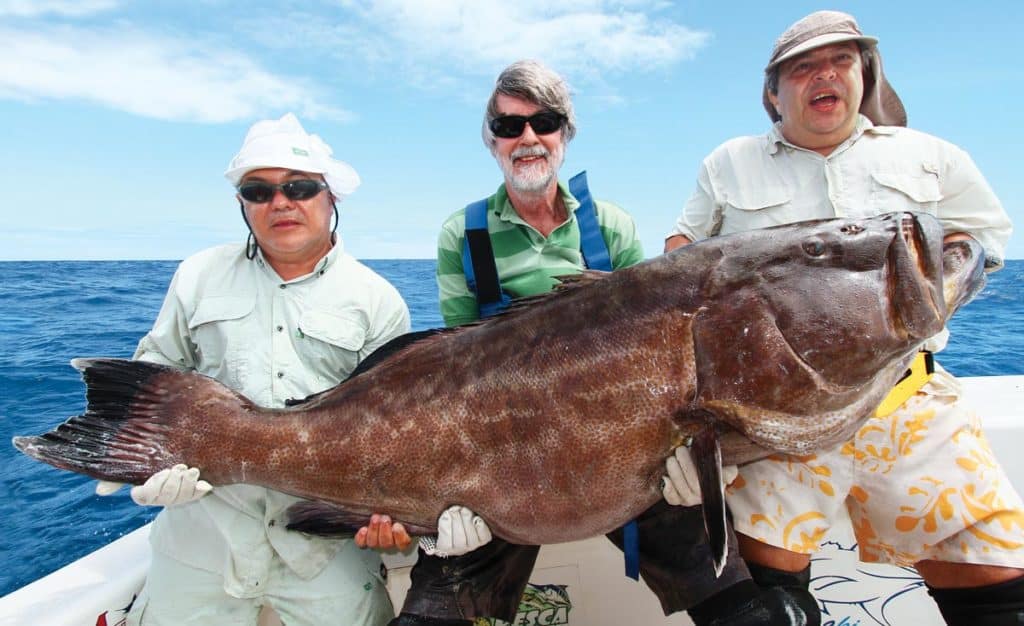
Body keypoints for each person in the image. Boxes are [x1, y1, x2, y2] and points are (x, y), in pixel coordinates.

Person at [374, 59, 808, 626]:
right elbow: (450, 366)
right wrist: (442, 510)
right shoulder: (464, 232)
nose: (528, 138)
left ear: (565, 135)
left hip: (626, 452)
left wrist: (696, 461)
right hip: (501, 460)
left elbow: (661, 352)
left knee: (749, 614)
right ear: (492, 142)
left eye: (544, 123)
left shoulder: (611, 227)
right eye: (509, 127)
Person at [664, 11, 1023, 626]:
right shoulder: (730, 163)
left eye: (841, 61)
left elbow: (985, 242)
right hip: (779, 420)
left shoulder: (932, 155)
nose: (823, 75)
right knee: (763, 596)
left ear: (865, 75)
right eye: (801, 67)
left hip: (910, 400)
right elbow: (681, 255)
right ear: (773, 94)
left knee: (999, 587)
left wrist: (910, 306)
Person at [95, 113, 413, 625]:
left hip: (322, 550)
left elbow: (398, 436)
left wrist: (399, 518)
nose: (280, 202)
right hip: (203, 542)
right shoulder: (197, 274)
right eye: (258, 191)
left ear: (331, 197)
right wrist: (145, 464)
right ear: (242, 204)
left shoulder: (378, 301)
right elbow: (153, 374)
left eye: (300, 187)